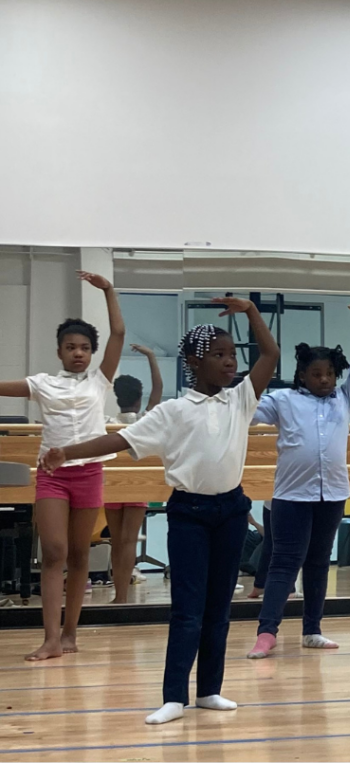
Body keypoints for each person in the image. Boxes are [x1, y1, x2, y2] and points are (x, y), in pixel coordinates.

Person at [41, 297, 279, 724]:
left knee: (219, 606)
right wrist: (66, 452)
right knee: (188, 608)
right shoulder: (172, 411)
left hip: (230, 510)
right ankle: (174, 695)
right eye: (219, 355)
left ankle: (209, 689)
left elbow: (271, 354)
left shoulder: (241, 399)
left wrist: (249, 312)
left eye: (231, 355)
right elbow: (116, 441)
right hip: (189, 512)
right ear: (194, 361)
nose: (229, 363)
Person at [0, 271, 125, 662]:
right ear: (59, 351)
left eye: (84, 347)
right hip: (53, 477)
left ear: (91, 352)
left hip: (88, 472)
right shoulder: (43, 384)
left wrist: (108, 290)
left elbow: (118, 334)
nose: (78, 353)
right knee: (53, 552)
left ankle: (70, 633)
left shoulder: (99, 381)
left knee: (79, 554)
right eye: (70, 347)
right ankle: (50, 638)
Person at [246, 295, 350, 659]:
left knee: (320, 561)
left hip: (332, 493)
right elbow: (246, 411)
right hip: (291, 495)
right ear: (301, 374)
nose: (325, 380)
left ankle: (312, 629)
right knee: (284, 563)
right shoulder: (283, 400)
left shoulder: (344, 398)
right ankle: (266, 631)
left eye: (330, 374)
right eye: (317, 374)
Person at [104, 344, 163, 604]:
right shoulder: (144, 421)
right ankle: (122, 596)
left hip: (113, 485)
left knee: (117, 542)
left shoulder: (107, 421)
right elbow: (158, 390)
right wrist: (151, 356)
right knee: (129, 542)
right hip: (137, 485)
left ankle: (119, 595)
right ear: (139, 398)